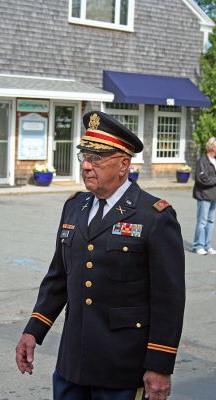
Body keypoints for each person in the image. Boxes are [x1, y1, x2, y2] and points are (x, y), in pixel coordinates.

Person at [16, 111, 185, 400]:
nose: (85, 165)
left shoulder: (154, 216)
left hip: (121, 367)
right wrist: (34, 330)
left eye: (96, 158)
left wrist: (159, 365)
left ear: (123, 164)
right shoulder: (75, 206)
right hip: (72, 363)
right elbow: (58, 278)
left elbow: (168, 300)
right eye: (84, 155)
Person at [192, 137, 216, 255]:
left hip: (214, 196)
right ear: (212, 147)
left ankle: (207, 245)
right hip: (204, 195)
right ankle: (198, 245)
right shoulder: (202, 161)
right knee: (202, 221)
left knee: (211, 221)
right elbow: (202, 179)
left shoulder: (215, 161)